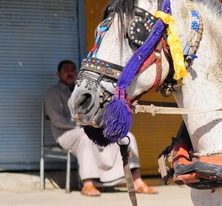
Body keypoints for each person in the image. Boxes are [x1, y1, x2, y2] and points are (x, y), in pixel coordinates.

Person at [44, 60, 157, 197]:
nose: (70, 72)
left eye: (73, 69)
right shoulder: (53, 93)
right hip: (67, 133)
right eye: (66, 70)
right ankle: (88, 184)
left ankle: (137, 181)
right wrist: (83, 124)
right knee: (86, 138)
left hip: (90, 128)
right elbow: (57, 120)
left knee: (127, 138)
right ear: (59, 74)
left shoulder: (81, 90)